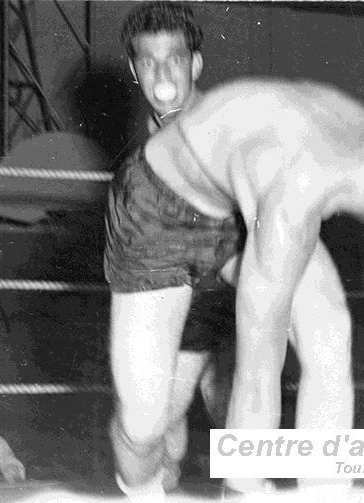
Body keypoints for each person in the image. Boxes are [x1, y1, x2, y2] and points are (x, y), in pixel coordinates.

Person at [104, 78, 364, 497]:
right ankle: (142, 491)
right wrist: (246, 485)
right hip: (164, 201)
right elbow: (259, 364)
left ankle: (325, 491)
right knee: (143, 424)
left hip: (248, 198)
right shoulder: (298, 188)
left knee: (328, 331)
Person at [112, 2, 236, 495]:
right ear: (134, 69)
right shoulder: (139, 155)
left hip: (241, 288)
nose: (163, 74)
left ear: (196, 64)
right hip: (177, 291)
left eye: (175, 59)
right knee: (154, 425)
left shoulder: (229, 128)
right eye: (148, 61)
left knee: (241, 415)